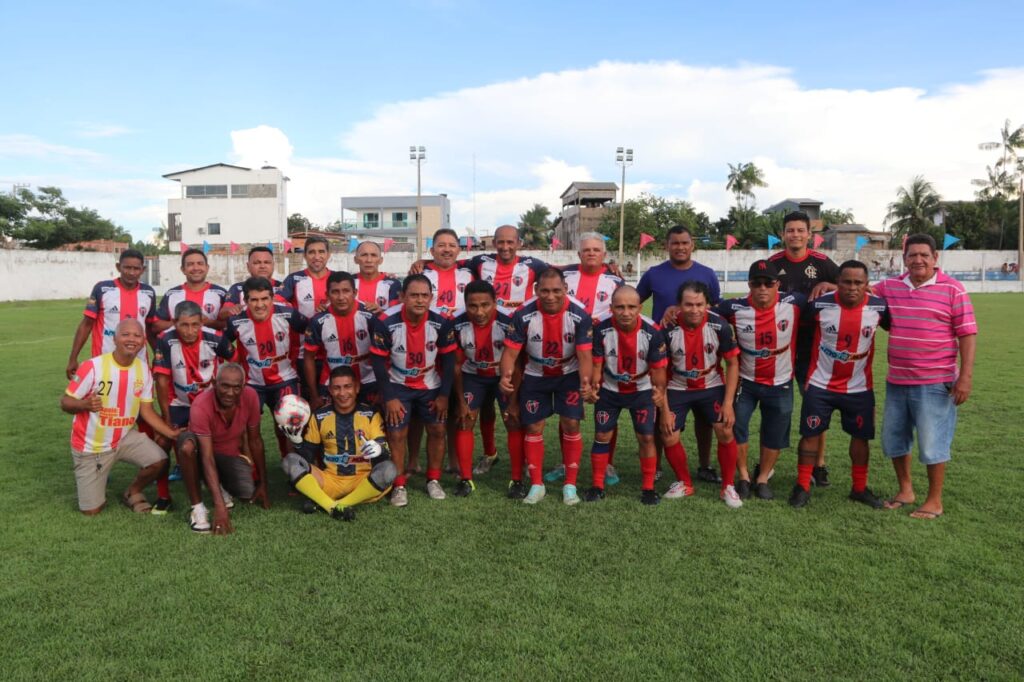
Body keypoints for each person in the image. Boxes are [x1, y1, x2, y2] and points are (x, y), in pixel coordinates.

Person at [874, 234, 977, 520]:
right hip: (897, 380)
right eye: (912, 255)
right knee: (894, 439)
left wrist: (965, 377)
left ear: (935, 258)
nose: (918, 260)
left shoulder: (953, 290)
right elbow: (858, 290)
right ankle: (905, 490)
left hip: (935, 382)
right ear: (904, 258)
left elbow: (967, 334)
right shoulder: (890, 287)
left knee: (933, 443)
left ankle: (934, 500)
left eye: (924, 255)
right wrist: (829, 284)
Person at [790, 260, 889, 509]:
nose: (852, 287)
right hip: (820, 384)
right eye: (846, 282)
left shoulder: (879, 307)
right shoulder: (819, 304)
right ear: (838, 282)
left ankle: (859, 488)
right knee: (810, 434)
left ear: (867, 285)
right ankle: (802, 486)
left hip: (859, 387)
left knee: (860, 438)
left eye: (858, 283)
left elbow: (898, 329)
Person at [61, 319, 180, 515]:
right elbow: (65, 402)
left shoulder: (142, 370)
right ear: (114, 339)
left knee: (159, 460)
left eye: (137, 335)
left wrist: (172, 433)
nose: (132, 339)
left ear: (143, 341)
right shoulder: (93, 366)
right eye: (125, 334)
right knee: (92, 510)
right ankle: (95, 479)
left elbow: (147, 411)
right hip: (91, 446)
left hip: (123, 438)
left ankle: (132, 491)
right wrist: (84, 404)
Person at [499, 269, 593, 505]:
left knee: (571, 423)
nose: (550, 296)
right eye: (545, 291)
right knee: (533, 426)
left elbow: (584, 356)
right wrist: (505, 376)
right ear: (536, 290)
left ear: (565, 290)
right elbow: (510, 353)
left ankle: (570, 485)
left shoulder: (580, 315)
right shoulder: (523, 315)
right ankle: (537, 484)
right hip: (535, 375)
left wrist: (585, 382)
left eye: (556, 291)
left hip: (568, 374)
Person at [637, 225, 721, 482]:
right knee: (660, 409)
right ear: (667, 245)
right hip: (664, 354)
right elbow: (634, 303)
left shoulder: (706, 274)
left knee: (705, 417)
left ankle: (705, 465)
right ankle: (659, 464)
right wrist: (651, 330)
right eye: (675, 243)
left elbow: (715, 309)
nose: (680, 247)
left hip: (701, 353)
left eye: (685, 243)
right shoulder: (654, 274)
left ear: (692, 244)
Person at [716, 260, 804, 500]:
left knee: (775, 432)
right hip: (746, 381)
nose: (763, 288)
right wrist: (674, 309)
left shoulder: (795, 302)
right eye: (757, 283)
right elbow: (702, 311)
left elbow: (830, 300)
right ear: (749, 285)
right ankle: (743, 475)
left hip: (781, 381)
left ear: (778, 284)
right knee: (736, 428)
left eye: (768, 283)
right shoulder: (733, 307)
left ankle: (763, 477)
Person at [370, 274, 457, 507]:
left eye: (424, 296)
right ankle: (399, 485)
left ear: (431, 297)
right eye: (414, 295)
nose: (419, 300)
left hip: (430, 384)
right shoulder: (385, 321)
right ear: (402, 297)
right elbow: (378, 362)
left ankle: (433, 480)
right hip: (398, 384)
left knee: (438, 430)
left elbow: (449, 361)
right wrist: (389, 397)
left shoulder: (442, 321)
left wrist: (444, 396)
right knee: (397, 434)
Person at [768, 210, 841, 486]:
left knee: (815, 405)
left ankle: (819, 464)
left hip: (815, 347)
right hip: (780, 345)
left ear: (809, 234)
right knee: (775, 407)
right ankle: (768, 460)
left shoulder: (822, 262)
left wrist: (829, 283)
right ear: (783, 234)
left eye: (800, 230)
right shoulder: (773, 263)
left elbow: (853, 286)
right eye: (790, 230)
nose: (795, 235)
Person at [549, 232, 625, 485]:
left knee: (607, 407)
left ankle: (609, 463)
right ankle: (565, 461)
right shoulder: (566, 276)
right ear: (578, 254)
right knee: (569, 410)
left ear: (604, 254)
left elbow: (626, 308)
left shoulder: (615, 280)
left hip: (606, 351)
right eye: (586, 250)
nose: (591, 253)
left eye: (596, 249)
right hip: (571, 352)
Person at [659, 281, 742, 508]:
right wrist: (664, 409)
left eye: (699, 304)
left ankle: (728, 486)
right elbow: (659, 372)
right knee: (668, 434)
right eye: (688, 305)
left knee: (725, 428)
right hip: (678, 385)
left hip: (711, 384)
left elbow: (733, 364)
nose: (694, 310)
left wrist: (728, 403)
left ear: (707, 304)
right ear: (679, 305)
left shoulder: (720, 326)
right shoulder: (667, 329)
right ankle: (684, 483)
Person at [584, 286, 667, 505]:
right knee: (602, 436)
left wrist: (660, 395)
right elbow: (596, 365)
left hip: (641, 391)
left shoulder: (652, 332)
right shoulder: (601, 330)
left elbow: (658, 371)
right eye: (620, 307)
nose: (626, 312)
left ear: (640, 307)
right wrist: (593, 387)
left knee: (646, 437)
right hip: (610, 391)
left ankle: (648, 488)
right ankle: (597, 485)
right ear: (611, 308)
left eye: (631, 307)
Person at [281, 366, 397, 521]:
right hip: (330, 481)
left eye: (347, 387)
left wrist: (379, 448)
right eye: (336, 388)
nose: (342, 393)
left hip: (363, 481)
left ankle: (331, 504)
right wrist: (298, 443)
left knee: (389, 469)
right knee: (290, 461)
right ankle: (334, 507)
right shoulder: (320, 416)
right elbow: (307, 457)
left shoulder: (371, 415)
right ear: (329, 390)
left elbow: (385, 452)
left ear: (356, 388)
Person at [151, 300, 233, 513]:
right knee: (162, 441)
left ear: (202, 322)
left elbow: (235, 360)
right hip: (179, 402)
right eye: (184, 325)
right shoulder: (165, 340)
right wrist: (166, 417)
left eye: (195, 325)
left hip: (209, 403)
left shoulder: (215, 338)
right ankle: (163, 495)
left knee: (220, 442)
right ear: (175, 323)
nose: (190, 331)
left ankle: (221, 485)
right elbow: (161, 380)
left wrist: (227, 397)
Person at [174, 363, 270, 534]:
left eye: (236, 387)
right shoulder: (201, 405)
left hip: (227, 454)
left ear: (243, 386)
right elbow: (207, 457)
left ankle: (217, 485)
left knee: (246, 491)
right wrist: (220, 508)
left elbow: (255, 440)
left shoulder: (251, 396)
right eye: (225, 385)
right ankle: (197, 508)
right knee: (187, 447)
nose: (230, 393)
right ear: (214, 382)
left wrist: (263, 483)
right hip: (203, 452)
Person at [220, 276, 308, 455]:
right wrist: (234, 363)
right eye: (254, 300)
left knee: (290, 425)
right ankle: (253, 476)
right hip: (252, 384)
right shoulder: (236, 321)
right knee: (245, 429)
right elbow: (221, 344)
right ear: (245, 301)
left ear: (272, 298)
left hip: (285, 379)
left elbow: (310, 329)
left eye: (264, 299)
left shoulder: (287, 314)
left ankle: (292, 468)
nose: (260, 305)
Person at [451, 280, 518, 496]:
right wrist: (461, 402)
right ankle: (465, 479)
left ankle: (517, 477)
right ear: (465, 304)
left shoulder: (510, 323)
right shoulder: (457, 324)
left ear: (495, 303)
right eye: (473, 306)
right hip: (474, 377)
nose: (479, 311)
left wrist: (515, 400)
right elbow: (457, 366)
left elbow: (519, 363)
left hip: (504, 375)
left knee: (512, 420)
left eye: (485, 305)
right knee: (466, 419)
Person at [66, 248, 157, 379]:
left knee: (137, 399)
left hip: (138, 362)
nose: (131, 273)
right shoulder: (102, 289)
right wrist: (73, 358)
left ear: (143, 270)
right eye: (127, 267)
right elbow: (86, 325)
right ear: (118, 267)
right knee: (101, 400)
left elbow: (150, 328)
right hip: (104, 361)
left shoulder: (148, 292)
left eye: (136, 269)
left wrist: (157, 356)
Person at [302, 271, 378, 411]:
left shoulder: (370, 317)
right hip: (332, 382)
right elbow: (308, 358)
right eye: (335, 292)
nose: (341, 297)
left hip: (368, 381)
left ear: (354, 292)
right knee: (331, 428)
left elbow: (383, 355)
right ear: (327, 295)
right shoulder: (318, 321)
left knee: (372, 427)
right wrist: (314, 395)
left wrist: (383, 388)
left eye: (346, 291)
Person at [153, 248, 227, 333]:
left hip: (212, 346)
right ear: (183, 269)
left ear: (207, 268)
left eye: (200, 263)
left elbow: (230, 325)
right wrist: (181, 323)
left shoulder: (221, 293)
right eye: (190, 264)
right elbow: (156, 326)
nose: (195, 268)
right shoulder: (171, 295)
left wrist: (208, 322)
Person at [221, 246, 280, 319]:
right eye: (257, 263)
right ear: (248, 266)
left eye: (267, 262)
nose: (262, 266)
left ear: (273, 265)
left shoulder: (284, 287)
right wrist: (231, 310)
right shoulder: (237, 288)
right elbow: (222, 314)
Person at [353, 240, 401, 316]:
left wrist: (381, 311)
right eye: (364, 255)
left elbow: (396, 313)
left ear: (380, 260)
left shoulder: (393, 284)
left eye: (373, 255)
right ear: (355, 259)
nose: (369, 260)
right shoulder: (349, 282)